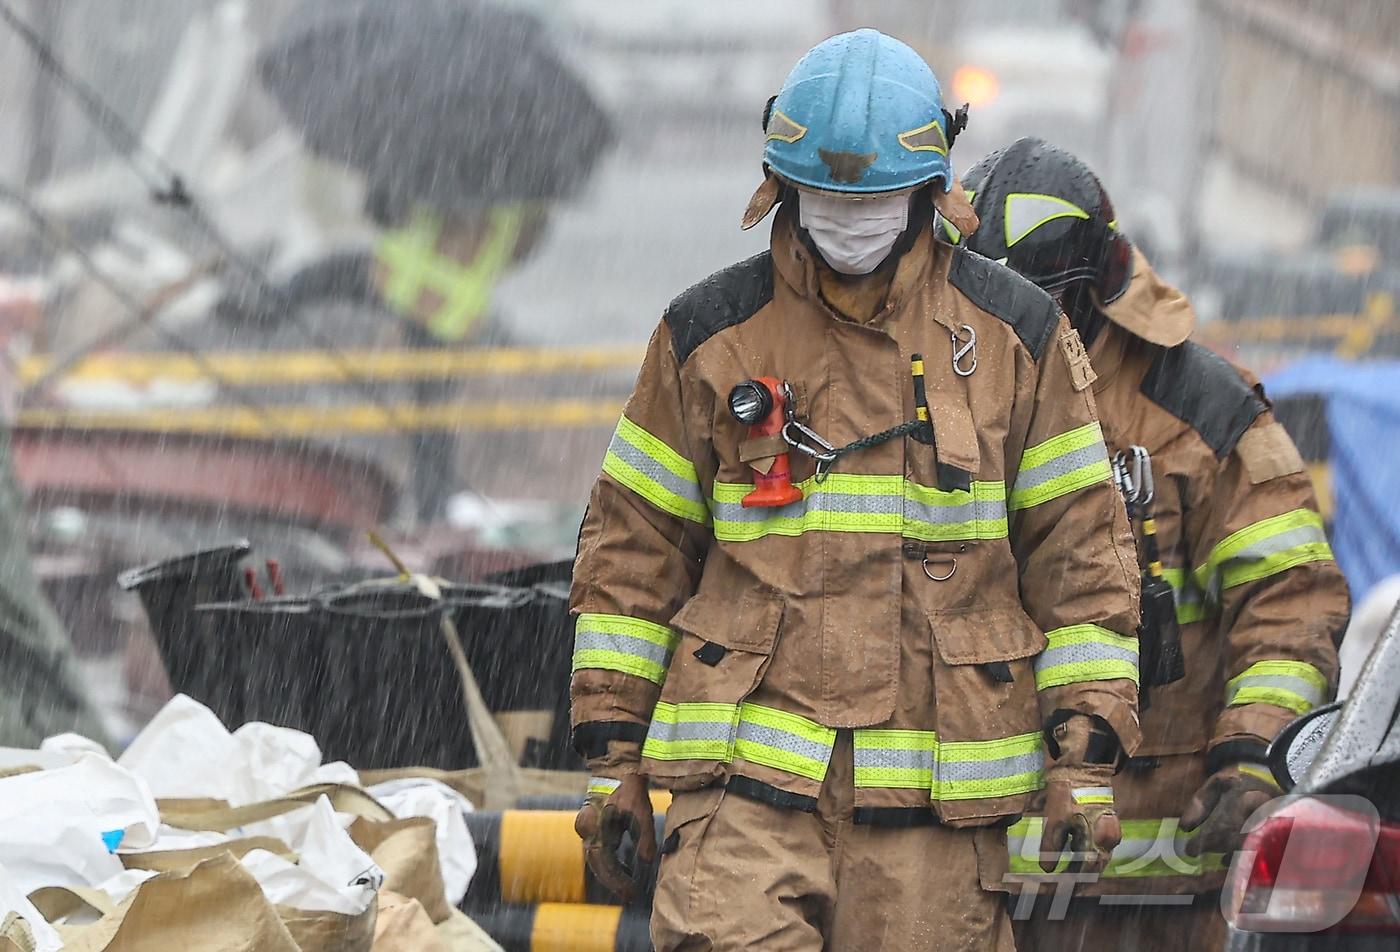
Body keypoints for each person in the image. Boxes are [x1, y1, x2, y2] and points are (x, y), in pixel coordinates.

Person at [569, 33, 1142, 951]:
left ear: (929, 193)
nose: (847, 220)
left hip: (936, 822)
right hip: (743, 796)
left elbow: (1082, 567)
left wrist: (1083, 765)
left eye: (871, 202)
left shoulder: (1016, 339)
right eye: (827, 198)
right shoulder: (709, 335)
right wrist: (613, 760)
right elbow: (632, 560)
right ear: (781, 187)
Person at [960, 137, 1349, 949]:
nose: (1006, 337)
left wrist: (1254, 753)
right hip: (975, 886)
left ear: (1085, 293)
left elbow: (1290, 600)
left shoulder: (1198, 409)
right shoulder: (932, 398)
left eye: (1027, 310)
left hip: (1164, 890)